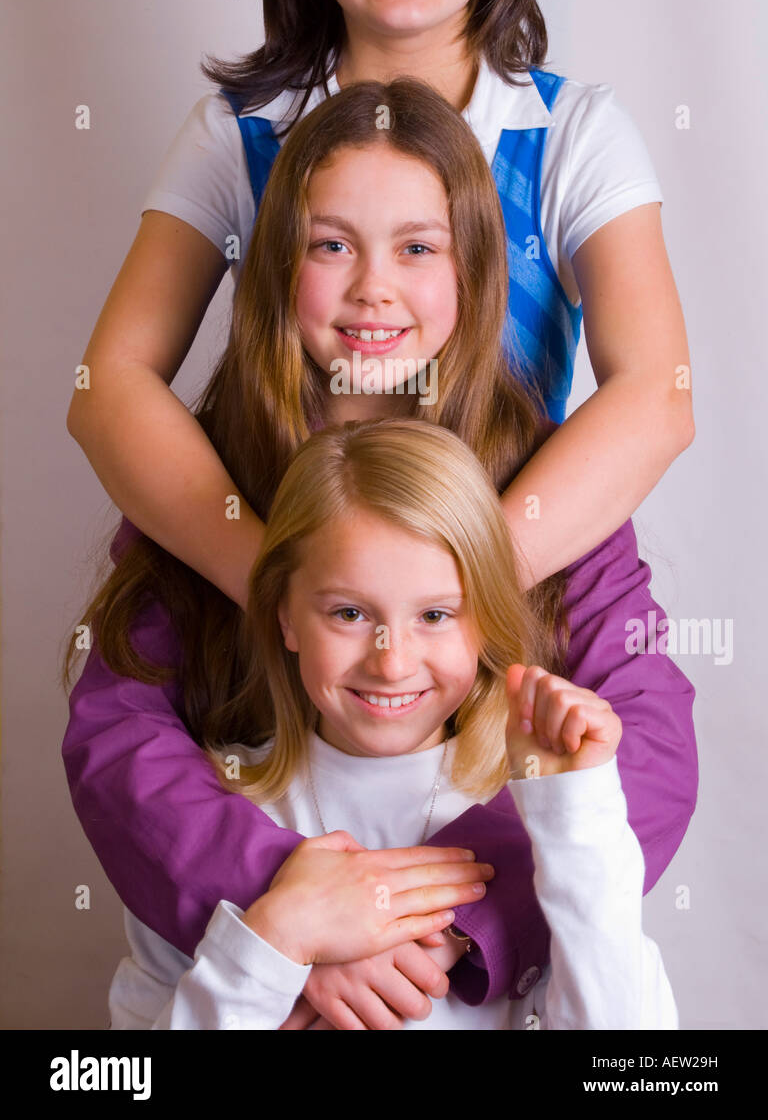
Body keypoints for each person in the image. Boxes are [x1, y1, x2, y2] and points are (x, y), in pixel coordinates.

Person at [64, 79, 697, 1030]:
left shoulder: (552, 482)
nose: (373, 288)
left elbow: (644, 741)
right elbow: (120, 746)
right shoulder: (205, 477)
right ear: (277, 267)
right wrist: (291, 928)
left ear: (474, 272)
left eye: (417, 248)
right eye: (330, 246)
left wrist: (446, 924)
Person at [66, 0, 694, 617]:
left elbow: (658, 395)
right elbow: (109, 385)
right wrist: (282, 590)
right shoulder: (239, 133)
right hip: (299, 594)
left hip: (500, 594)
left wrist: (452, 597)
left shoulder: (574, 136)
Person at [108, 418, 679, 1031]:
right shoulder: (208, 817)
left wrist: (577, 813)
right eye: (349, 612)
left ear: (483, 621)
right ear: (285, 617)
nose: (392, 660)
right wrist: (275, 935)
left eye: (434, 614)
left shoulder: (530, 815)